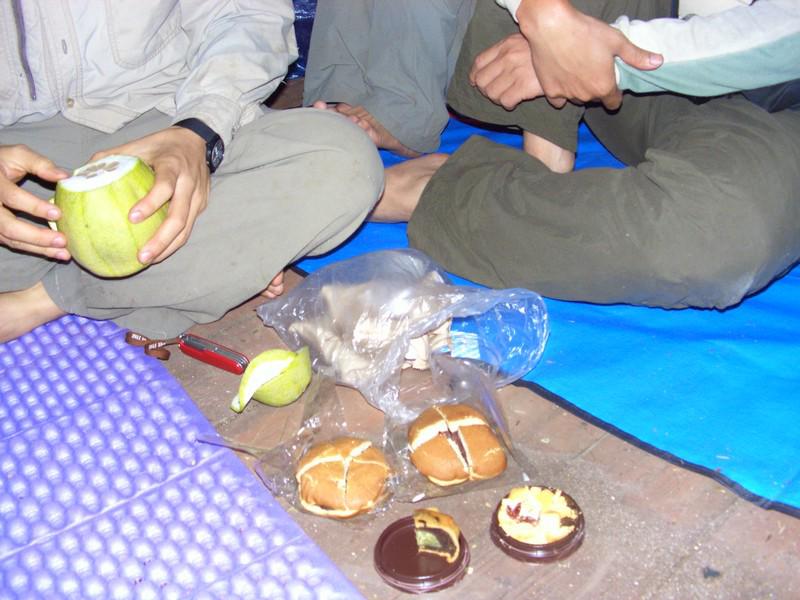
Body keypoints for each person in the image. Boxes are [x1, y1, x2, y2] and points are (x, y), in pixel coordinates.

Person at [375, 0, 800, 310]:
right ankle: (544, 147)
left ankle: (455, 191)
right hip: (656, 45)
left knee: (717, 235)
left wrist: (606, 59)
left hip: (727, 78)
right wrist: (544, 18)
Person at [0, 0, 384, 344]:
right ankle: (203, 271)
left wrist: (198, 130)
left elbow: (248, 13)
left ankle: (43, 299)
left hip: (166, 116)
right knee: (252, 228)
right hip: (17, 151)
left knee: (341, 162)